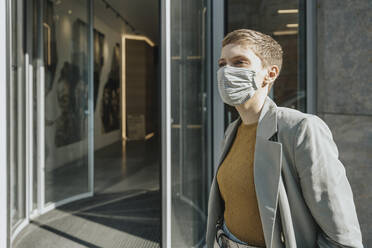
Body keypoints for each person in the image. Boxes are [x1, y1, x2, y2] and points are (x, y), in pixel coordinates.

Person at [205, 29, 363, 248]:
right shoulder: (232, 131)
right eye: (222, 64)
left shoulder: (300, 129)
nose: (226, 72)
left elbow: (342, 235)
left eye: (239, 62)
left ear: (270, 74)